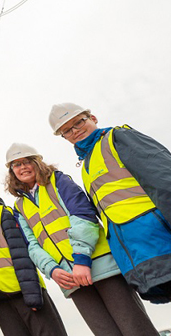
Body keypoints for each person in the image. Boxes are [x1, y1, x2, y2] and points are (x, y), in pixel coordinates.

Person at [4, 142, 159, 335]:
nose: (23, 167)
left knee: (135, 328)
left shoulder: (58, 181)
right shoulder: (19, 207)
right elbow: (32, 246)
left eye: (27, 161)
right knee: (104, 332)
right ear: (12, 172)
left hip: (100, 266)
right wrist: (52, 270)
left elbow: (83, 217)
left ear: (37, 162)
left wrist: (82, 260)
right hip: (68, 278)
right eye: (16, 164)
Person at [49, 102, 171, 303]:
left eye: (78, 123)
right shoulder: (87, 165)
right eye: (67, 131)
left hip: (160, 243)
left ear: (93, 118)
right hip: (138, 256)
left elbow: (164, 180)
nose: (75, 131)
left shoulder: (118, 138)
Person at [0, 175, 68, 336]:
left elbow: (21, 253)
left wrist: (32, 294)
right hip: (0, 300)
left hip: (25, 292)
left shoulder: (2, 213)